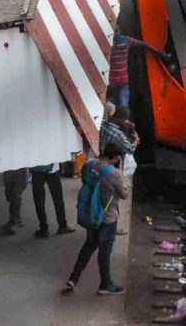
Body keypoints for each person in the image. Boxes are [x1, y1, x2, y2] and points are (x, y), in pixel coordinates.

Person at [62, 143, 130, 296]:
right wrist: (125, 185)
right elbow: (123, 195)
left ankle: (73, 278)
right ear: (117, 157)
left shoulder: (88, 164)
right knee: (104, 251)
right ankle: (105, 284)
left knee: (88, 246)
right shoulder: (114, 173)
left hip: (91, 214)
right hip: (107, 217)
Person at [107, 33, 165, 108]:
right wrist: (156, 51)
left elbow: (141, 44)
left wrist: (156, 51)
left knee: (111, 106)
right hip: (121, 80)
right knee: (122, 106)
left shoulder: (109, 41)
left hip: (113, 81)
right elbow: (141, 44)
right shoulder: (124, 39)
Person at [31, 164, 74, 238]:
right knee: (58, 199)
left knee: (39, 201)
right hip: (52, 171)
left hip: (37, 170)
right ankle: (62, 226)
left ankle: (44, 229)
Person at [2, 169, 28, 236]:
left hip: (21, 171)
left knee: (16, 196)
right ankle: (16, 218)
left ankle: (14, 222)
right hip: (8, 171)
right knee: (10, 195)